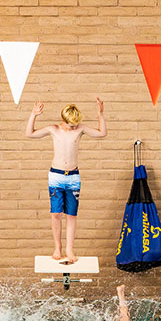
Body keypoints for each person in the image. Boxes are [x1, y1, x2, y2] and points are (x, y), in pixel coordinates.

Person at [25, 98, 107, 263]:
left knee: (71, 215)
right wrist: (33, 115)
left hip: (73, 177)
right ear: (64, 120)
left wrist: (100, 114)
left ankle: (69, 248)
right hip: (56, 176)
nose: (74, 127)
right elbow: (30, 133)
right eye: (71, 125)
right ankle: (58, 247)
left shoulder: (80, 129)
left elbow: (102, 133)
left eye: (76, 124)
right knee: (56, 214)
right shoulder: (54, 129)